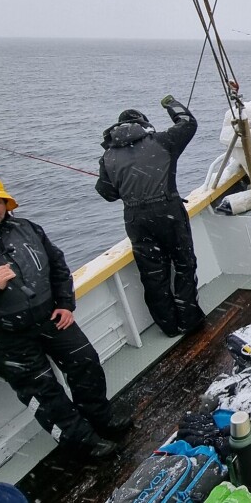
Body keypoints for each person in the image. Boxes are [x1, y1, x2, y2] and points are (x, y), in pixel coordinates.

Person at [0, 173, 129, 458]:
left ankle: (100, 418)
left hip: (50, 317)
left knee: (85, 361)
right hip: (1, 337)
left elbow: (58, 266)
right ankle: (80, 442)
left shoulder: (26, 228)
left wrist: (64, 303)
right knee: (44, 390)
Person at [95, 95, 206, 336]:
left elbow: (107, 193)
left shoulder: (108, 157)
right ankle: (189, 320)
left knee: (153, 275)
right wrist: (170, 103)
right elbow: (189, 123)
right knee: (184, 265)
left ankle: (169, 326)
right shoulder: (162, 141)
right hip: (168, 213)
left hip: (136, 221)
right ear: (142, 124)